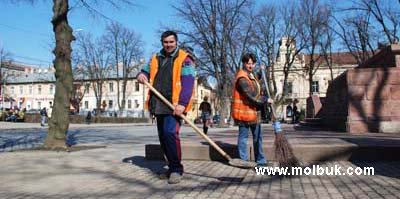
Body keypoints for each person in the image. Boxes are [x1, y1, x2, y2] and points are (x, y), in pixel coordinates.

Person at [136, 30, 196, 184]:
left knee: (170, 134)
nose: (168, 45)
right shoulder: (156, 58)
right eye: (165, 42)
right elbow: (145, 71)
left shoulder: (185, 59)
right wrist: (142, 74)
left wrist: (182, 104)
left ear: (176, 42)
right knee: (163, 138)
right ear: (162, 42)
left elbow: (188, 83)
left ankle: (176, 169)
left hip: (174, 105)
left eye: (171, 42)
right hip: (158, 104)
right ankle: (170, 168)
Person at [231, 53, 273, 166]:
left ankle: (260, 160)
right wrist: (265, 100)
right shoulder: (241, 78)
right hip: (245, 114)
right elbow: (251, 94)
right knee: (243, 138)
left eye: (252, 63)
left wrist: (262, 71)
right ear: (244, 63)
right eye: (248, 63)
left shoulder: (251, 75)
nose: (250, 65)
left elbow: (255, 81)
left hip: (254, 113)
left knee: (258, 138)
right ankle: (243, 161)